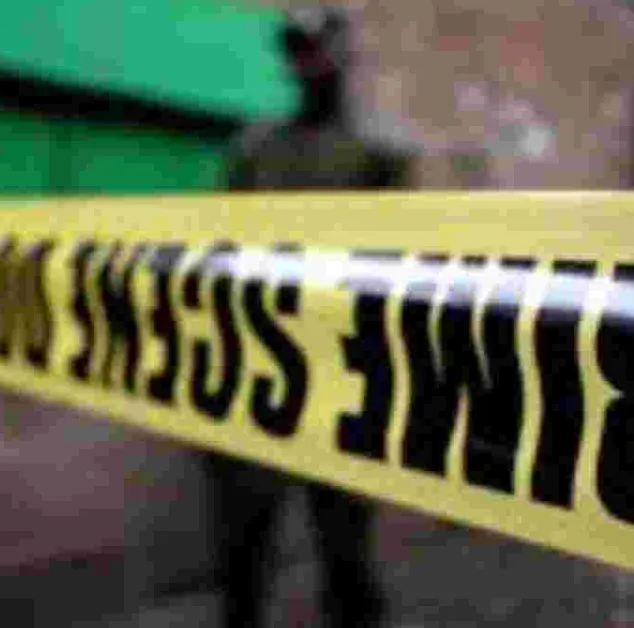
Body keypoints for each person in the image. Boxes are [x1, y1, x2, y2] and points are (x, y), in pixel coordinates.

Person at [205, 8, 412, 628]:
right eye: (295, 46)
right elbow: (220, 253)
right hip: (257, 375)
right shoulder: (255, 150)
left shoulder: (380, 154)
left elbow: (403, 269)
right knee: (243, 555)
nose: (306, 60)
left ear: (342, 50)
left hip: (343, 378)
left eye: (316, 44)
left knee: (346, 558)